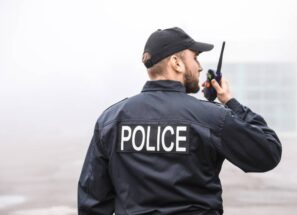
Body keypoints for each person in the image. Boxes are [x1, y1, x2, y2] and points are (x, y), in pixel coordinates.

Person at [78, 27, 282, 215]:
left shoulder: (110, 120)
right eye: (195, 57)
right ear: (176, 62)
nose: (200, 67)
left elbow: (93, 203)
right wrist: (230, 102)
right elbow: (268, 152)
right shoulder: (212, 117)